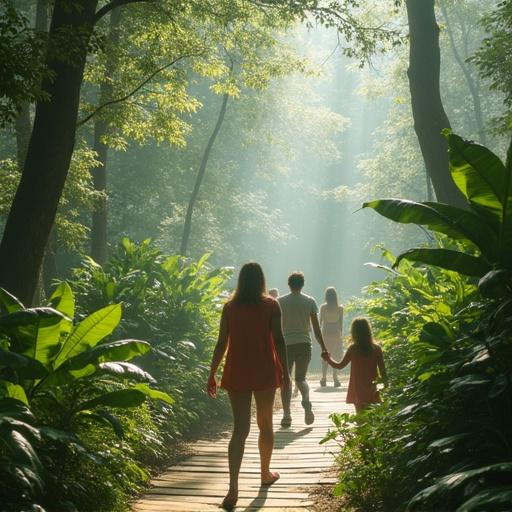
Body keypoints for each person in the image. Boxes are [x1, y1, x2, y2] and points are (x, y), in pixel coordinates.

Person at [207, 262, 290, 510]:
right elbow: (279, 340)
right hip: (264, 369)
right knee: (265, 423)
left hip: (237, 371)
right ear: (262, 280)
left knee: (239, 429)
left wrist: (212, 373)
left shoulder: (230, 307)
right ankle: (264, 473)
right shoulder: (270, 305)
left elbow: (222, 343)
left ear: (241, 281)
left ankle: (233, 488)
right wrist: (286, 372)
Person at [278, 271, 327, 428]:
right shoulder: (310, 301)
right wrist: (323, 347)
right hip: (304, 343)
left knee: (286, 380)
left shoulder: (280, 302)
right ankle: (305, 398)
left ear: (289, 284)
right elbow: (316, 328)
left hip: (285, 344)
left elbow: (275, 327)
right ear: (302, 284)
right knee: (300, 378)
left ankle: (286, 415)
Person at [322, 317, 388, 413]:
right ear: (368, 331)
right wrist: (386, 386)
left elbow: (340, 366)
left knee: (360, 415)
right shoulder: (376, 349)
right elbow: (383, 370)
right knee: (372, 415)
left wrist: (328, 359)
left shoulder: (353, 349)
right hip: (371, 387)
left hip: (357, 388)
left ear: (354, 332)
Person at [319, 287, 344, 387]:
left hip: (325, 335)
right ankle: (335, 378)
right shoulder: (340, 308)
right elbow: (340, 324)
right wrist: (340, 337)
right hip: (336, 335)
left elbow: (320, 322)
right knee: (336, 356)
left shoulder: (323, 307)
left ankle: (324, 378)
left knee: (326, 355)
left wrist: (318, 337)